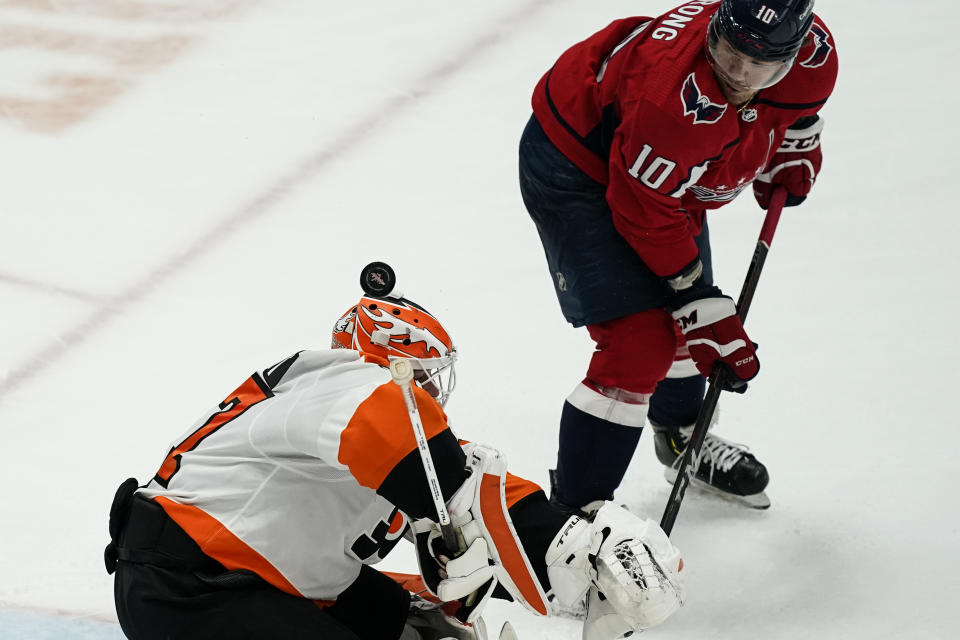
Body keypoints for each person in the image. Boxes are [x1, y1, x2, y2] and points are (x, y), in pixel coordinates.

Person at [104, 268, 686, 640]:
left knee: (427, 631)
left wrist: (578, 548)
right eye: (424, 376)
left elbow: (477, 492)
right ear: (387, 364)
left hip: (247, 585)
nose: (434, 392)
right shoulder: (340, 383)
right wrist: (569, 539)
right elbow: (453, 483)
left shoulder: (390, 443)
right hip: (190, 586)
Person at [518, 0, 837, 513]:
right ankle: (571, 521)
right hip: (579, 164)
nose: (738, 74)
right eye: (729, 54)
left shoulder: (816, 57)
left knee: (692, 326)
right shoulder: (674, 104)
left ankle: (681, 437)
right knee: (643, 341)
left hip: (656, 166)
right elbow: (642, 209)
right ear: (715, 29)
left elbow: (799, 106)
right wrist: (695, 294)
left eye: (760, 66)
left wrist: (793, 139)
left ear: (795, 53)